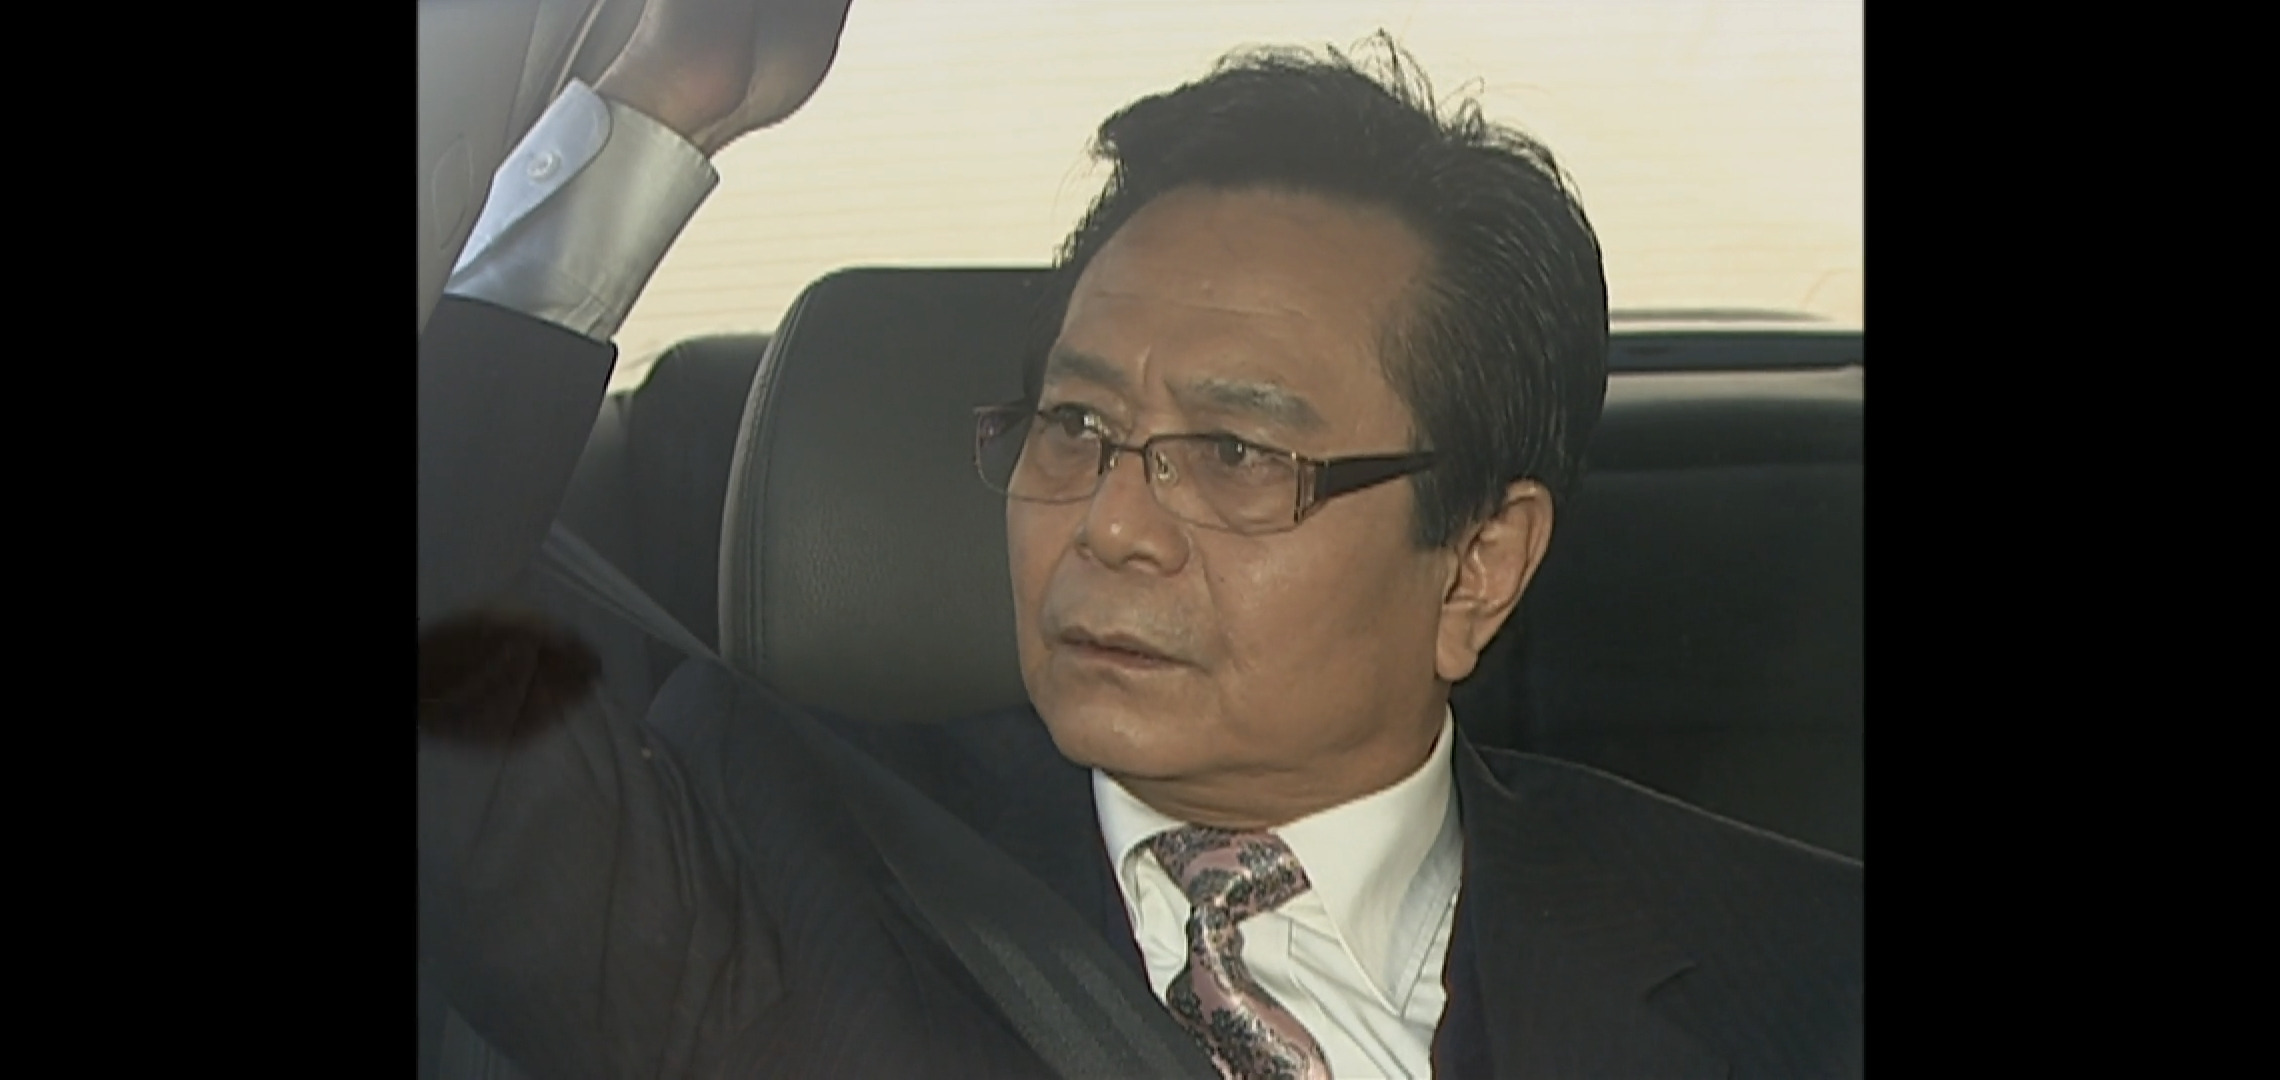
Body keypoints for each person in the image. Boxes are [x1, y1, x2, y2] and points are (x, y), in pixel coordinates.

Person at [417, 1, 1863, 1076]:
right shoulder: (783, 861)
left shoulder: (1798, 964)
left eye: (1234, 456)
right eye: (1074, 425)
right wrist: (665, 109)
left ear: (1478, 565)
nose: (1109, 525)